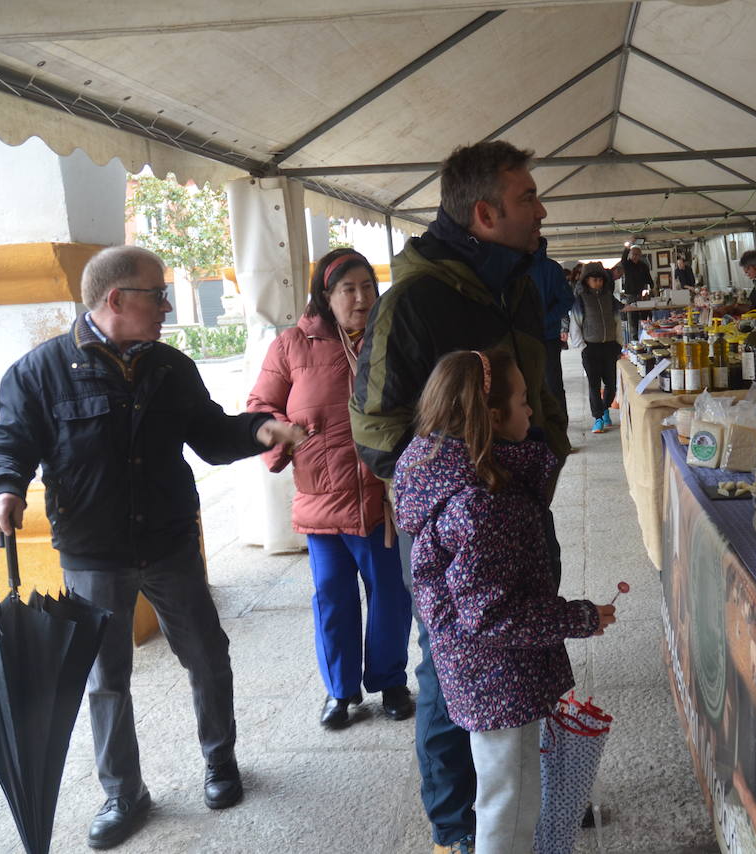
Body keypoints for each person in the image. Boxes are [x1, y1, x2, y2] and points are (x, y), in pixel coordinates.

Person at [0, 245, 307, 849]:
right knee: (105, 677)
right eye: (158, 294)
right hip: (93, 551)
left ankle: (220, 761)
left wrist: (258, 428)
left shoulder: (170, 367)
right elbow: (8, 444)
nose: (168, 305)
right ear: (116, 300)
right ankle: (123, 792)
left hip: (170, 542)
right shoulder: (39, 372)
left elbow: (209, 432)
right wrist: (1, 488)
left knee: (207, 654)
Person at [350, 139, 570, 854]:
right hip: (458, 515)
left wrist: (543, 460)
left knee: (518, 637)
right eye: (529, 197)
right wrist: (458, 492)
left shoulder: (521, 279)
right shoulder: (415, 299)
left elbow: (540, 384)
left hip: (519, 503)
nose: (541, 208)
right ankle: (457, 828)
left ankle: (519, 801)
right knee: (451, 667)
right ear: (485, 214)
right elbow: (376, 426)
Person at [393, 350, 616, 854]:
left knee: (506, 793)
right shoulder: (481, 501)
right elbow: (493, 614)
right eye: (522, 401)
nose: (531, 411)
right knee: (509, 804)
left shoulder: (448, 471)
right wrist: (577, 617)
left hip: (481, 671)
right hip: (498, 678)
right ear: (492, 417)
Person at [246, 248, 413, 730]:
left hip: (380, 500)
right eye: (348, 289)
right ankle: (340, 692)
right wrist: (280, 432)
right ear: (325, 294)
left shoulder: (388, 339)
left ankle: (391, 680)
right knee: (331, 597)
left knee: (390, 593)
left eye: (368, 287)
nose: (361, 298)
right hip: (321, 500)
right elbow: (260, 406)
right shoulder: (292, 345)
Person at [571, 262, 623, 434]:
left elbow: (617, 321)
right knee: (593, 385)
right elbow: (575, 325)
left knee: (611, 384)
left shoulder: (609, 298)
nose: (598, 283)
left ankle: (605, 407)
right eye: (594, 280)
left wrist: (618, 343)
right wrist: (582, 346)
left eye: (600, 280)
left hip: (610, 346)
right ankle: (598, 418)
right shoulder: (580, 300)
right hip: (590, 348)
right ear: (586, 281)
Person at [529, 238, 575, 425]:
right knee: (522, 386)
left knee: (553, 385)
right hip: (518, 336)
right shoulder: (509, 266)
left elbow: (566, 300)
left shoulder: (551, 268)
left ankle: (559, 431)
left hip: (547, 337)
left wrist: (546, 319)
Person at [615, 244, 653, 342]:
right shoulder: (627, 264)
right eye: (633, 254)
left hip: (642, 296)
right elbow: (623, 258)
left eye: (637, 255)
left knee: (644, 319)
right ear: (630, 255)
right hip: (630, 296)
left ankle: (645, 340)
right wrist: (628, 247)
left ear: (640, 255)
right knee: (633, 321)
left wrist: (652, 288)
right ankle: (634, 342)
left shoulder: (643, 266)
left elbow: (649, 279)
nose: (635, 256)